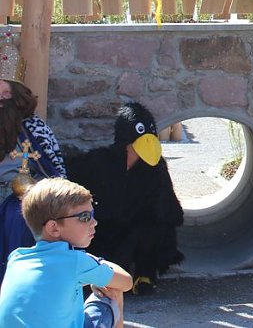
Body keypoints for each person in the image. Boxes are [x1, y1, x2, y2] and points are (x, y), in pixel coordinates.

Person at [66, 102, 184, 296]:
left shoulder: (155, 168)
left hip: (135, 230)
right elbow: (71, 174)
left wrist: (161, 215)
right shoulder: (101, 161)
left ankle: (145, 274)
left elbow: (169, 208)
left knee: (152, 230)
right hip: (102, 226)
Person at [0, 177, 133, 327]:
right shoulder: (75, 261)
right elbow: (126, 282)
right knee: (113, 291)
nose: (94, 222)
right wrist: (96, 264)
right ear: (54, 228)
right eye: (85, 217)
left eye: (92, 214)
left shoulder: (17, 258)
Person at [0, 38, 67, 281]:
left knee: (18, 221)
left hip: (24, 203)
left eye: (7, 93)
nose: (2, 101)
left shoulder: (36, 128)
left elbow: (56, 171)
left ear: (17, 97)